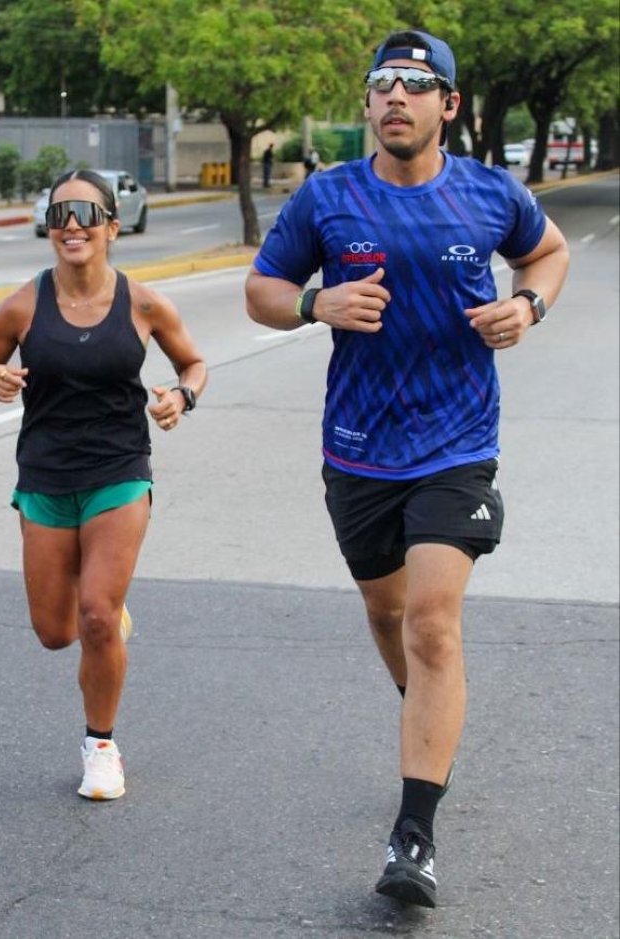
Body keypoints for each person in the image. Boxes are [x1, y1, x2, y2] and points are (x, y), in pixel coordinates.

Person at [245, 29, 568, 908]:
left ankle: (414, 834)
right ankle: (420, 700)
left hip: (457, 445)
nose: (397, 96)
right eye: (383, 82)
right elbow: (261, 290)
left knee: (432, 623)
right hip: (358, 447)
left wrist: (528, 305)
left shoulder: (490, 194)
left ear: (447, 105)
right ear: (367, 101)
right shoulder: (328, 197)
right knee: (388, 613)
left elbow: (550, 252)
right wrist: (317, 301)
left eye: (416, 85)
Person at [0, 169, 207, 802]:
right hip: (45, 476)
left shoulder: (143, 304)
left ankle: (101, 746)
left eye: (86, 214)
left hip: (118, 473)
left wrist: (181, 396)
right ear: (49, 228)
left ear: (112, 227)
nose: (72, 225)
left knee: (96, 617)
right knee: (55, 631)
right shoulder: (22, 306)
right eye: (59, 214)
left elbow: (193, 363)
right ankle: (105, 606)